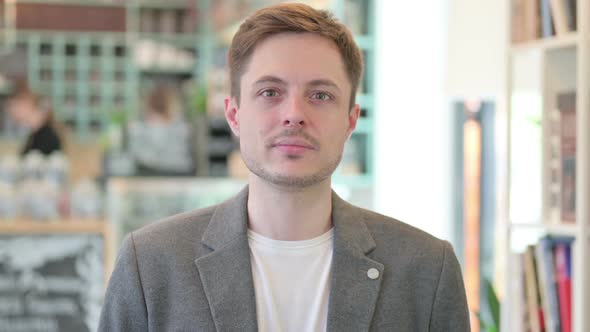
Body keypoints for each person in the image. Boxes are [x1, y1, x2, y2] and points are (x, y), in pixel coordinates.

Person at [99, 3, 470, 331]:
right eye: (270, 92)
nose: (294, 115)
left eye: (320, 95)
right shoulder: (150, 264)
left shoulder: (425, 270)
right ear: (233, 114)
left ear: (350, 121)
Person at [5, 82, 62, 156]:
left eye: (12, 105)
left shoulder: (47, 136)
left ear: (26, 103)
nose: (10, 111)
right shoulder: (35, 133)